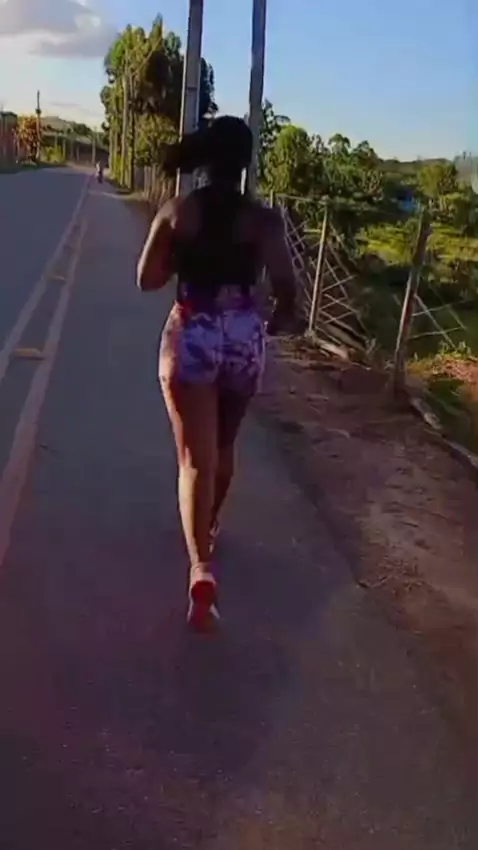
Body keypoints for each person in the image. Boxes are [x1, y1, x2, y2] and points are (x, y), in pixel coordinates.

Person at [137, 116, 296, 632]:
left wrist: (181, 257)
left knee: (193, 460)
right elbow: (288, 290)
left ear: (206, 158)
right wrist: (273, 322)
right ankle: (209, 526)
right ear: (246, 162)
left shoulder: (179, 211)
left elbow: (147, 279)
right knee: (224, 447)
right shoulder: (263, 221)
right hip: (243, 337)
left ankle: (200, 566)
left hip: (193, 331)